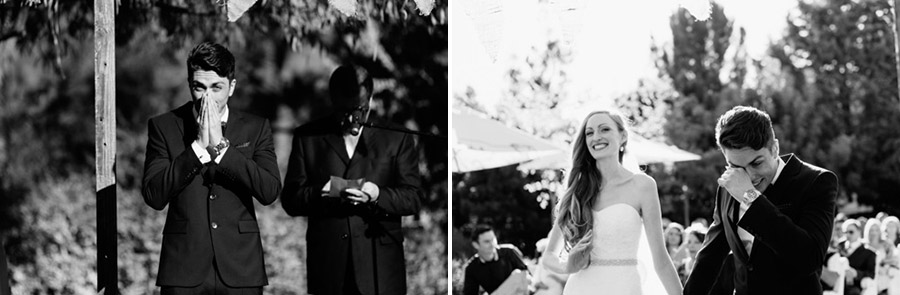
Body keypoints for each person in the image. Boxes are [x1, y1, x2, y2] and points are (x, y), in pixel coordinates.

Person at [141, 42, 282, 294]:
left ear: (232, 87)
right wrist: (197, 149)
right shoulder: (164, 126)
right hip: (183, 269)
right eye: (199, 87)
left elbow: (269, 190)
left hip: (241, 268)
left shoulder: (256, 127)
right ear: (189, 85)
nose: (208, 97)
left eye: (217, 87)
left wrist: (222, 149)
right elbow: (154, 194)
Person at [280, 65, 423, 295]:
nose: (350, 119)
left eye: (359, 110)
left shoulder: (397, 137)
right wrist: (321, 192)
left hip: (380, 268)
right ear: (332, 101)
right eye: (342, 111)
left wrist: (377, 194)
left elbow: (413, 198)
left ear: (371, 99)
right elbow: (290, 199)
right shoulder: (308, 137)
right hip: (329, 268)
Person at [683, 106, 839, 295]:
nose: (748, 176)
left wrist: (750, 197)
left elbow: (809, 259)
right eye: (735, 166)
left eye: (756, 163)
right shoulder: (729, 184)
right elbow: (710, 256)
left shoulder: (816, 181)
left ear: (775, 148)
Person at [540, 110, 682, 295]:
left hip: (625, 286)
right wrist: (567, 266)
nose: (596, 137)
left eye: (604, 129)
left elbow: (661, 259)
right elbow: (548, 256)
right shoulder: (577, 191)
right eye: (589, 133)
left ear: (623, 136)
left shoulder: (642, 185)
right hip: (580, 288)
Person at [462, 225, 530, 295]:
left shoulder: (509, 252)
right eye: (487, 241)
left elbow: (526, 276)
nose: (492, 244)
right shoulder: (472, 268)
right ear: (476, 245)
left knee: (519, 274)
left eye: (493, 239)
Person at [841, 219, 877, 295]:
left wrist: (856, 273)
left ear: (859, 232)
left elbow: (871, 274)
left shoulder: (869, 253)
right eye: (845, 232)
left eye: (851, 232)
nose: (848, 235)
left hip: (855, 287)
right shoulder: (839, 246)